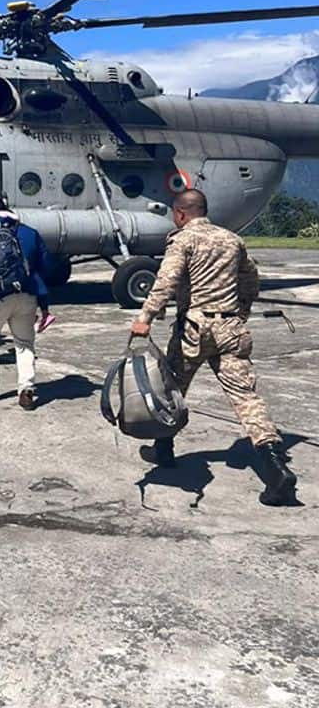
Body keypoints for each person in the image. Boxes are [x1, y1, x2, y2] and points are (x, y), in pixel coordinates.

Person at [130, 188, 298, 506]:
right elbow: (251, 280)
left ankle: (164, 450)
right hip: (231, 328)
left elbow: (167, 280)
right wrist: (240, 311)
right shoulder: (232, 240)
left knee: (171, 390)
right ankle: (277, 471)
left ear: (180, 214)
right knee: (246, 398)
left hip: (194, 330)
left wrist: (145, 317)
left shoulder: (183, 239)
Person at [0, 198, 53, 409]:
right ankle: (26, 389)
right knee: (24, 343)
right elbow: (46, 265)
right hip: (26, 293)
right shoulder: (30, 232)